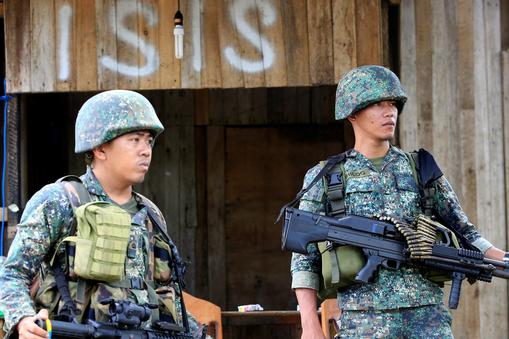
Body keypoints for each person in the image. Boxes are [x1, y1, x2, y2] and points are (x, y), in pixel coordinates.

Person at [290, 65, 507, 338]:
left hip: (427, 317)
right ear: (353, 112)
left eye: (392, 103)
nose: (389, 111)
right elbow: (303, 257)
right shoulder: (327, 176)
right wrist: (310, 323)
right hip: (365, 320)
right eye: (377, 104)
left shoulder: (420, 168)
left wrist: (505, 259)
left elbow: (467, 232)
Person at [0, 90, 205, 338]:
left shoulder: (150, 215)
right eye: (135, 139)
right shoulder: (60, 201)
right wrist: (22, 319)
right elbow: (12, 274)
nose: (146, 150)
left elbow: (167, 295)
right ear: (100, 148)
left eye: (149, 141)